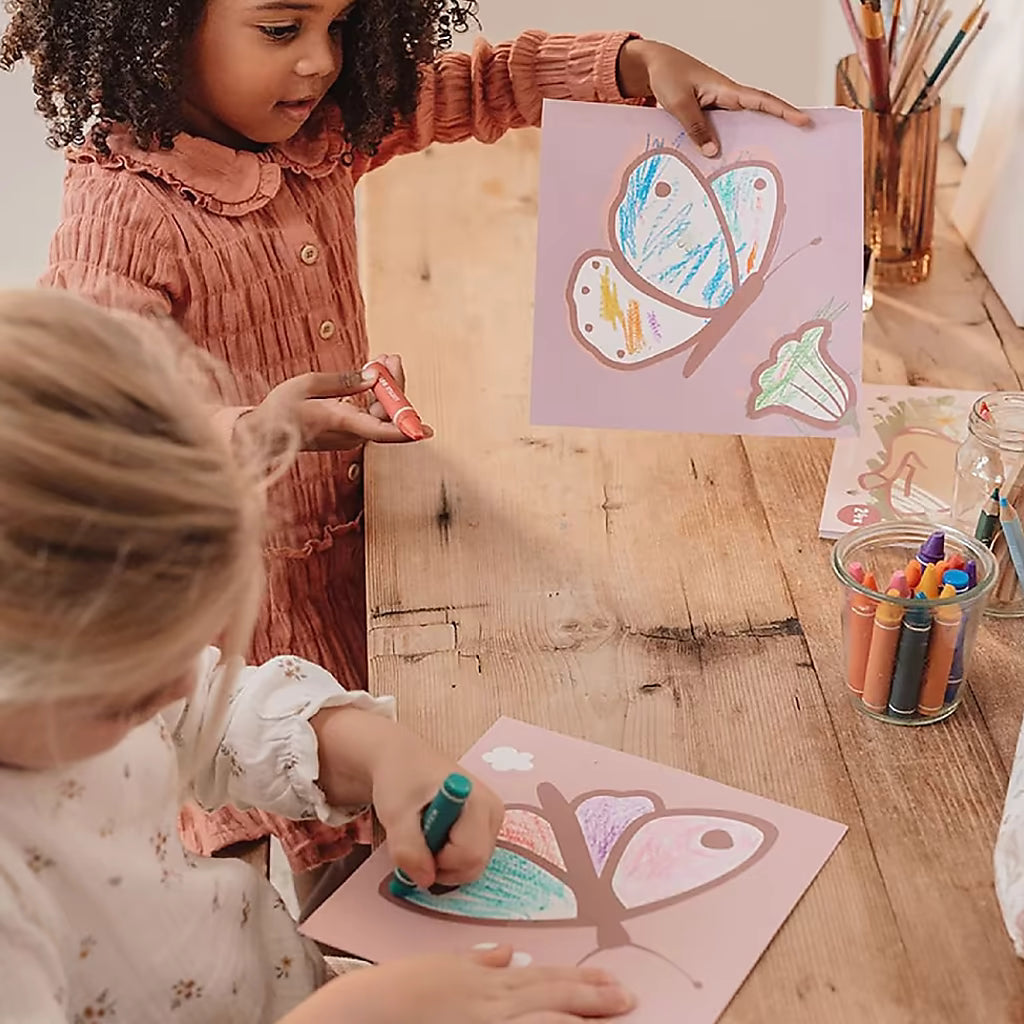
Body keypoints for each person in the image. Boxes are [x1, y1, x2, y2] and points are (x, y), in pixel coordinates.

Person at [1, 0, 811, 884]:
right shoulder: (120, 210)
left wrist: (633, 61)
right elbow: (93, 429)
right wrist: (256, 430)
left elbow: (484, 83)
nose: (319, 63)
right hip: (250, 605)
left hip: (371, 547)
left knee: (409, 795)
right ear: (156, 26)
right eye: (282, 30)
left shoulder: (326, 133)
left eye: (340, 27)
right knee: (326, 840)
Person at [0, 288, 636, 1024]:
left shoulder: (65, 684)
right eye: (127, 693)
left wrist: (376, 751)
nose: (178, 679)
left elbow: (206, 709)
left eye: (190, 643)